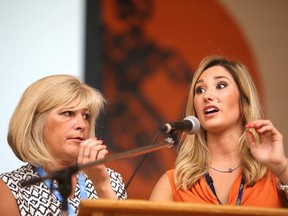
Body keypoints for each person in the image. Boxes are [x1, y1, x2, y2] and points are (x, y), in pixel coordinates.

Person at [150, 55, 288, 207]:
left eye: (221, 85)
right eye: (200, 90)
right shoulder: (173, 185)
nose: (207, 96)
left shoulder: (276, 177)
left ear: (243, 101)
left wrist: (281, 167)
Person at [0, 74, 127, 216]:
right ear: (37, 123)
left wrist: (102, 186)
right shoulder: (11, 187)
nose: (82, 125)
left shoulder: (110, 180)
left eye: (86, 116)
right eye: (68, 113)